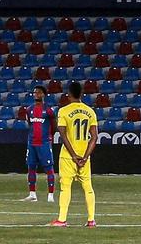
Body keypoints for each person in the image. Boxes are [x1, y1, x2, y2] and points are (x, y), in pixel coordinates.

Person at [52, 79, 99, 228]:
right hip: (85, 155)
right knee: (88, 187)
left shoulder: (63, 111)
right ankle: (91, 220)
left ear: (68, 95)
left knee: (65, 187)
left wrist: (73, 155)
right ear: (82, 94)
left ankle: (62, 219)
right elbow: (94, 137)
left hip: (68, 156)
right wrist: (85, 156)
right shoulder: (90, 111)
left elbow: (62, 134)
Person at [20, 84, 57, 204]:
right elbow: (30, 125)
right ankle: (32, 194)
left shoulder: (49, 110)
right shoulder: (29, 109)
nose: (36, 94)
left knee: (49, 169)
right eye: (35, 92)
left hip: (44, 143)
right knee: (31, 167)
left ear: (44, 95)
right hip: (32, 143)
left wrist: (48, 137)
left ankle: (50, 195)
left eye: (39, 92)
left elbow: (53, 126)